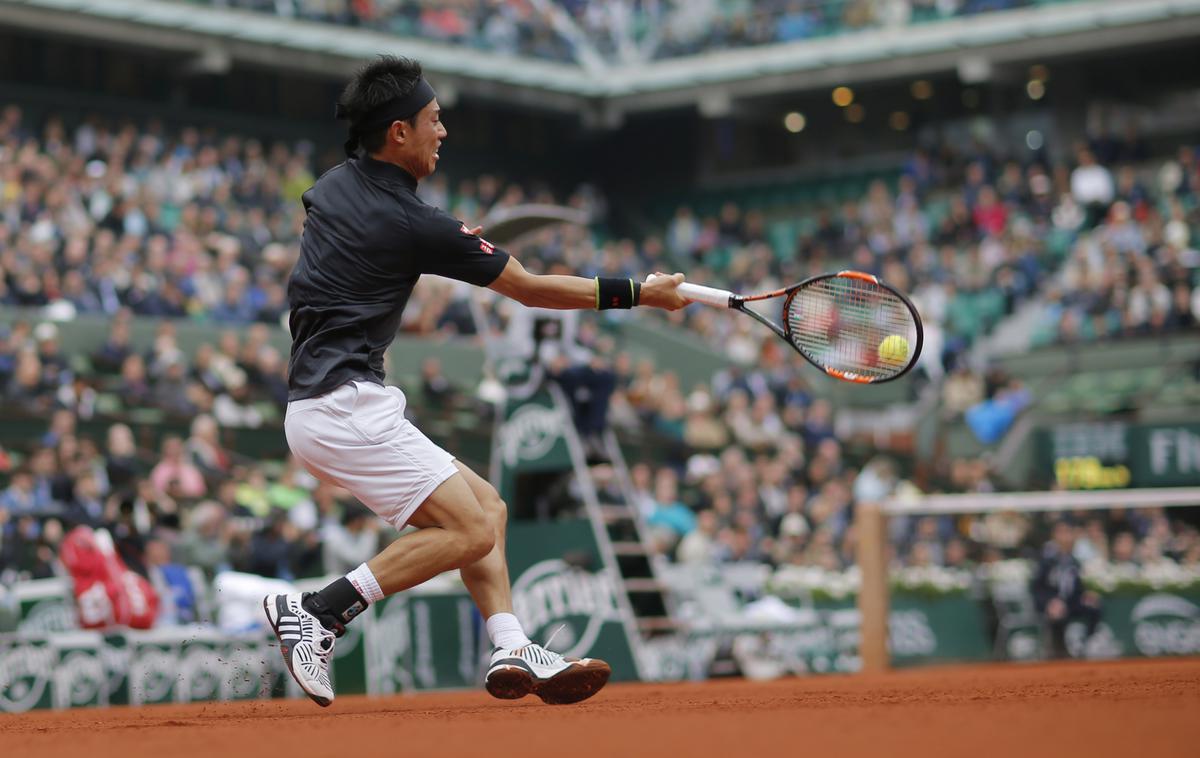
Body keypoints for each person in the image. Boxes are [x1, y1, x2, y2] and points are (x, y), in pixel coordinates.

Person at [263, 55, 687, 708]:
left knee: (487, 508)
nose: (444, 132)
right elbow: (531, 289)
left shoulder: (337, 186)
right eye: (434, 120)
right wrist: (641, 293)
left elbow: (374, 246)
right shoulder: (415, 224)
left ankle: (511, 643)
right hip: (344, 406)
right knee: (469, 532)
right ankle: (320, 611)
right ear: (398, 132)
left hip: (332, 405)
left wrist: (440, 246)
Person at [1030, 520, 1102, 659]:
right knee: (1058, 613)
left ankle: (1085, 645)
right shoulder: (1046, 560)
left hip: (1070, 602)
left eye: (1067, 533)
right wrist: (1049, 602)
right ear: (1054, 536)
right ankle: (1058, 651)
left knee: (1095, 607)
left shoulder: (1073, 561)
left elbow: (1076, 587)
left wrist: (1086, 595)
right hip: (1050, 604)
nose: (1065, 537)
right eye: (1061, 533)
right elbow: (1036, 588)